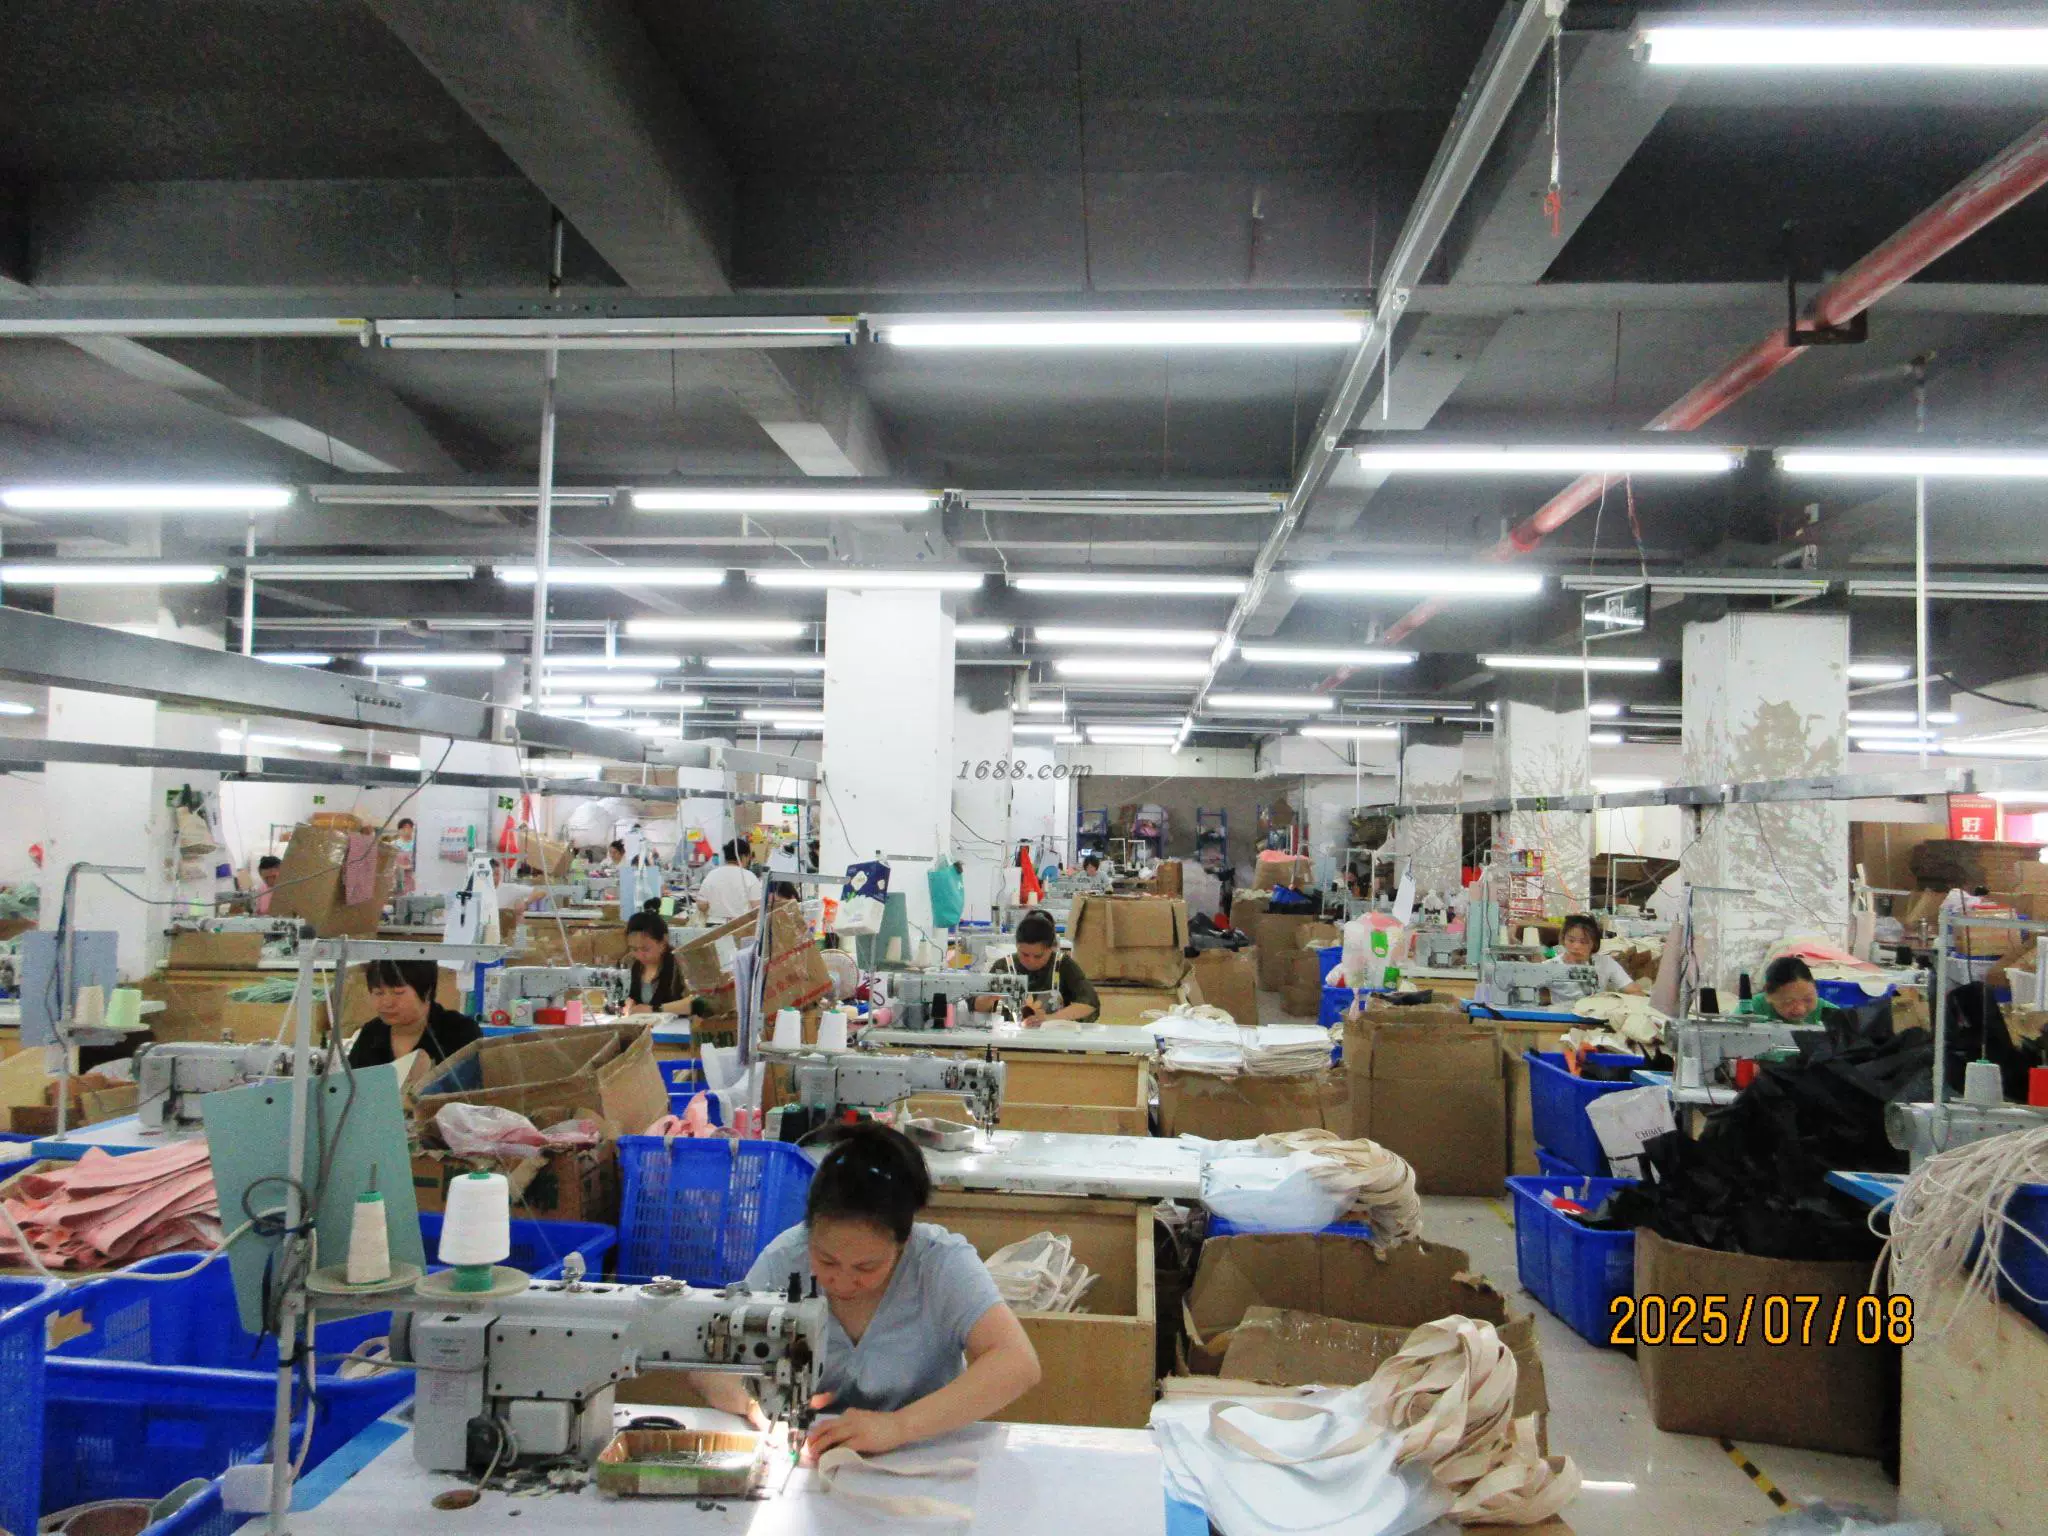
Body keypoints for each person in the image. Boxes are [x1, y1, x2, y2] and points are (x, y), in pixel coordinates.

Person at [698, 1122, 1040, 1457]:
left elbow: (1017, 1362)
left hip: (926, 1455)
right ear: (809, 1230)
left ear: (903, 1242)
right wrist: (753, 1403)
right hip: (815, 1453)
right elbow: (708, 1365)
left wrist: (899, 1426)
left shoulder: (940, 1263)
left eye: (866, 1267)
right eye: (827, 1260)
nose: (842, 1282)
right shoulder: (785, 1258)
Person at [346, 959, 480, 1068]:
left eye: (398, 993)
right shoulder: (370, 1033)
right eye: (378, 993)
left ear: (427, 992)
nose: (387, 1003)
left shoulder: (460, 1031)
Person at [975, 910, 1098, 1024]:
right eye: (1024, 954)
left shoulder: (1064, 965)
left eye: (1038, 956)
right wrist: (989, 998)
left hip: (1055, 1036)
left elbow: (1089, 1003)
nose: (1031, 961)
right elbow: (977, 1009)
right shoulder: (1003, 966)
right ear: (1017, 945)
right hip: (1013, 1037)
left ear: (1051, 948)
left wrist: (1049, 1018)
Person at [1736, 954, 1854, 1030]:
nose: (1800, 1009)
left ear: (1815, 990)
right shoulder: (1752, 1008)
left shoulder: (1826, 1011)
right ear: (1769, 995)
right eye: (1788, 1001)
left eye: (1808, 999)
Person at [1548, 914, 1644, 1002]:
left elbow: (1635, 992)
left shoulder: (1606, 963)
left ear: (1594, 943)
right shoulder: (1550, 966)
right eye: (1571, 940)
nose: (1576, 946)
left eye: (1584, 942)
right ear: (1563, 939)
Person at [621, 908, 690, 1015]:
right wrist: (626, 1003)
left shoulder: (681, 963)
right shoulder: (629, 962)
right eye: (634, 949)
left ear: (663, 942)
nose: (640, 955)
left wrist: (656, 1009)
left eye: (645, 949)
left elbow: (698, 1002)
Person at [698, 838, 764, 923]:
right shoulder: (749, 877)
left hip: (713, 926)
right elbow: (757, 909)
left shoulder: (712, 874)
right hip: (739, 926)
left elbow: (702, 906)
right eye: (748, 856)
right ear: (744, 856)